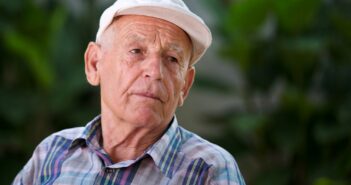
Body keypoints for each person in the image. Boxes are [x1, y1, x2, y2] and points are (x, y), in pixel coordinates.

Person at [13, 0, 246, 184]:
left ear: (185, 85)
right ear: (94, 64)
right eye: (136, 51)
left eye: (172, 59)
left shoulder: (208, 170)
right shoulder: (52, 152)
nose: (155, 72)